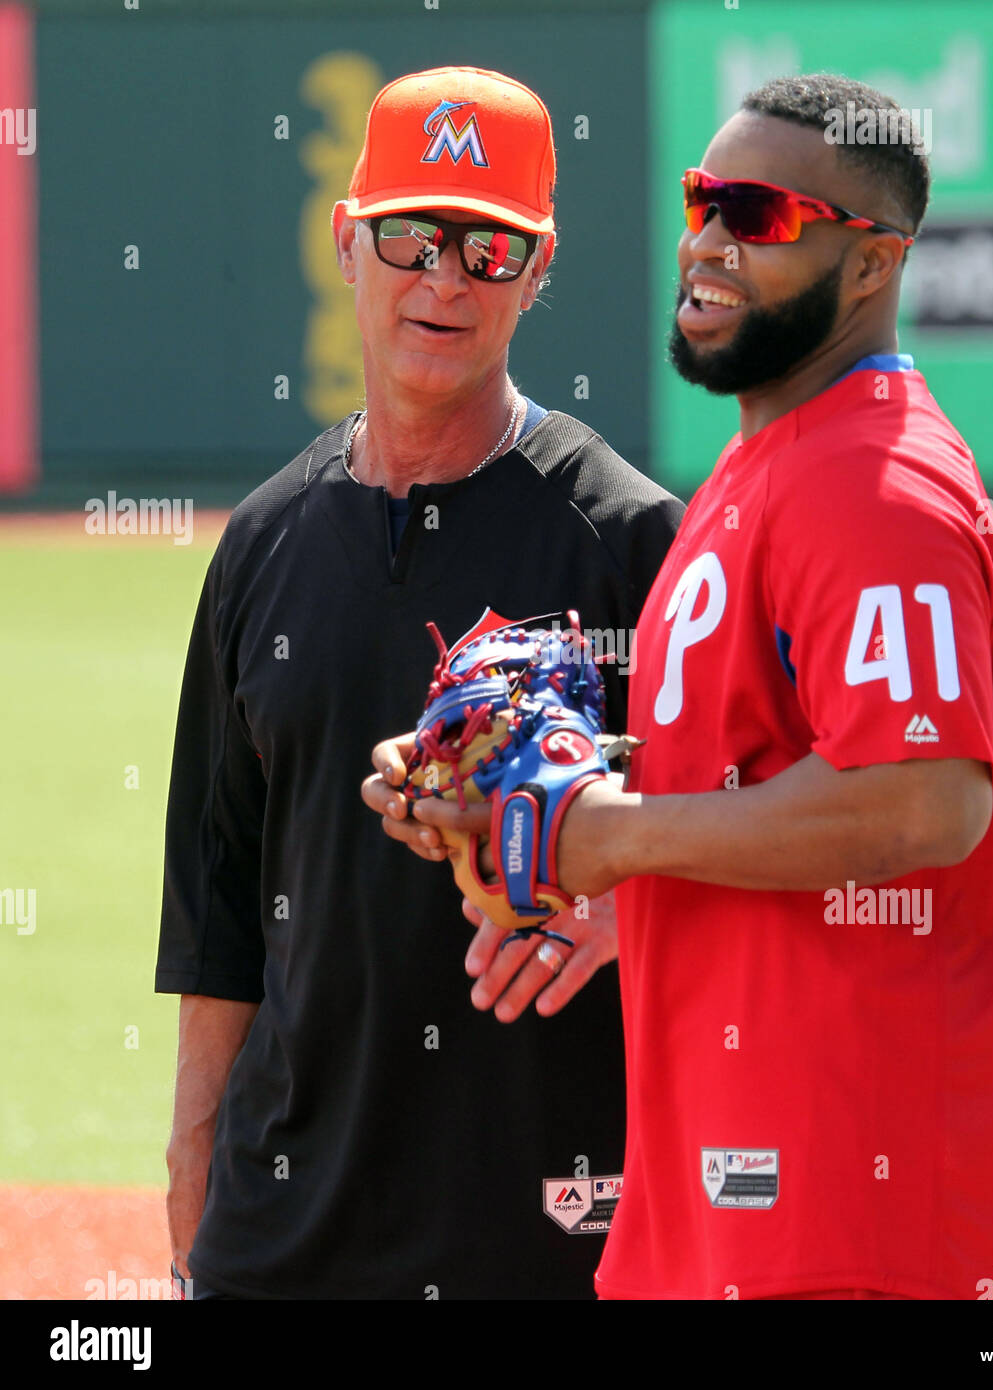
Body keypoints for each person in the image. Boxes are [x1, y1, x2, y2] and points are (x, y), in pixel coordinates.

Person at [388, 74, 993, 1301]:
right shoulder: (756, 475)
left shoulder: (879, 485)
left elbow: (924, 799)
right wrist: (546, 816)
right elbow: (741, 788)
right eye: (704, 201)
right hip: (738, 1203)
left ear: (872, 265)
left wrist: (609, 833)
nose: (706, 240)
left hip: (862, 1223)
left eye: (757, 215)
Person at [155, 64, 682, 1300]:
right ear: (348, 241)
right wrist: (193, 1167)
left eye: (488, 249)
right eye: (410, 235)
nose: (443, 278)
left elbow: (740, 848)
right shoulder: (265, 541)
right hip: (280, 1231)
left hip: (542, 1226)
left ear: (540, 266)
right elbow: (218, 903)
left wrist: (614, 911)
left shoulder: (628, 541)